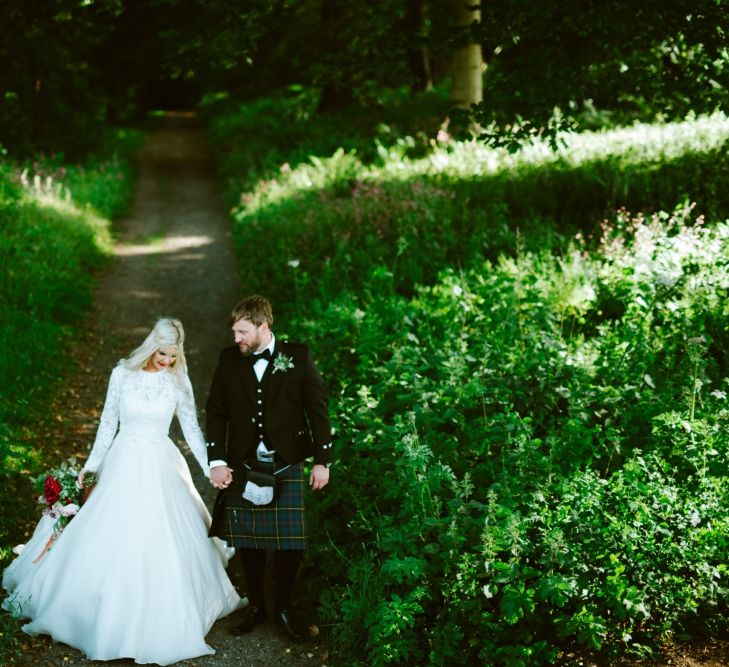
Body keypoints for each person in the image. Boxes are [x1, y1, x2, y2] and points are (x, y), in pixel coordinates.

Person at [2, 318, 242, 665]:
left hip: (160, 463)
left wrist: (210, 468)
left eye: (174, 354)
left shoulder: (178, 380)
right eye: (162, 352)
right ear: (151, 346)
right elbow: (106, 426)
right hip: (123, 460)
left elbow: (191, 429)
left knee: (167, 539)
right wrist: (89, 469)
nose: (167, 360)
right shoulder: (122, 375)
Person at [206, 295, 332, 641]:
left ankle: (283, 607)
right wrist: (216, 460)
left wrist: (322, 460)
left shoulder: (299, 357)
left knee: (291, 544)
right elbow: (216, 412)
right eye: (234, 332)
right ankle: (258, 605)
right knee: (249, 540)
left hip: (286, 461)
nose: (237, 339)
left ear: (264, 327)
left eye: (243, 332)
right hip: (244, 461)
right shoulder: (229, 360)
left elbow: (318, 410)